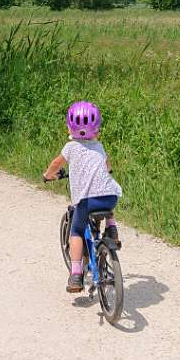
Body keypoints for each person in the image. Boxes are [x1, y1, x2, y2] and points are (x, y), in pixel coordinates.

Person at [43, 100, 122, 293]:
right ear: (97, 126)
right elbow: (108, 166)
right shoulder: (99, 146)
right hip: (110, 195)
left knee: (76, 231)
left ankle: (76, 274)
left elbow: (56, 164)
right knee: (107, 199)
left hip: (87, 200)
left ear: (70, 126)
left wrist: (48, 175)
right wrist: (107, 172)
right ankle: (111, 229)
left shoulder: (70, 148)